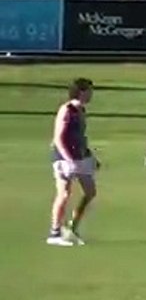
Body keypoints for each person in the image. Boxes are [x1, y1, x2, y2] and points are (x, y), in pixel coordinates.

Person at [49, 78, 97, 247]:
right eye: (89, 91)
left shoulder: (81, 110)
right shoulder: (66, 110)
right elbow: (58, 138)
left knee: (90, 192)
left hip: (80, 157)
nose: (92, 94)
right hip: (64, 158)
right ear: (81, 92)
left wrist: (90, 155)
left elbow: (81, 136)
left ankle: (71, 228)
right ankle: (54, 233)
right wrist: (68, 160)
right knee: (64, 193)